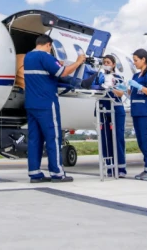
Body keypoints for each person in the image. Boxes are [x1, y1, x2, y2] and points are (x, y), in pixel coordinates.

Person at [23, 34, 86, 183]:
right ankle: (57, 173)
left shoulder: (28, 57)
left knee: (34, 139)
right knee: (53, 137)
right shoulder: (46, 57)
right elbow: (62, 72)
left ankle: (35, 173)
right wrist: (78, 62)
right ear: (48, 45)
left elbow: (45, 72)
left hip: (31, 104)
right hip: (46, 104)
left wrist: (57, 63)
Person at [91, 55, 128, 178]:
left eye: (108, 62)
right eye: (104, 62)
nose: (106, 64)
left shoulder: (118, 77)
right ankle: (109, 167)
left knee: (117, 138)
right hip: (102, 108)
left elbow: (121, 92)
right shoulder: (99, 77)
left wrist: (110, 87)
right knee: (104, 139)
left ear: (113, 64)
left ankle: (121, 167)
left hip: (116, 108)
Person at [128, 49, 147, 180]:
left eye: (136, 60)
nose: (134, 63)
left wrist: (140, 87)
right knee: (141, 141)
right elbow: (132, 93)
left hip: (145, 112)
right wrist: (125, 90)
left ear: (143, 59)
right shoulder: (135, 76)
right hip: (136, 111)